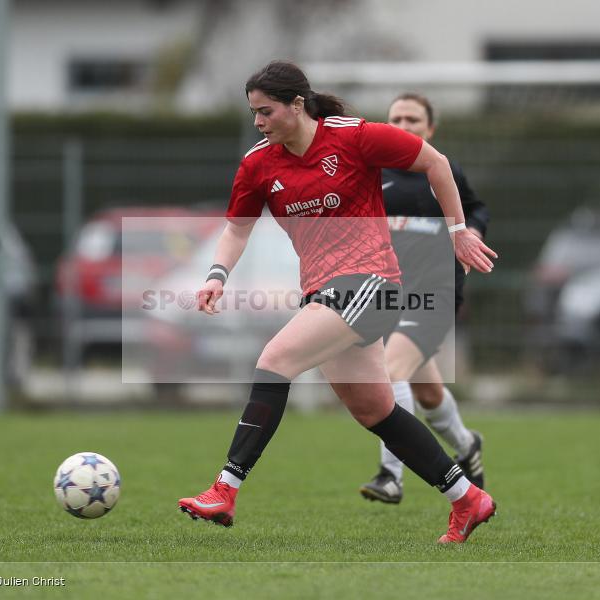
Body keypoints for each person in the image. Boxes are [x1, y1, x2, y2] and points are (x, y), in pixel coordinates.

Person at [177, 61, 498, 544]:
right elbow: (236, 229)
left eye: (266, 112)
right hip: (323, 291)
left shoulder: (353, 136)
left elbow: (435, 162)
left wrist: (457, 231)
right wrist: (216, 276)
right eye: (253, 114)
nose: (259, 123)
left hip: (372, 281)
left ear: (297, 105)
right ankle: (467, 499)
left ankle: (225, 488)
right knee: (375, 411)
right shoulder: (259, 163)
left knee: (274, 360)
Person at [360, 93, 490, 504]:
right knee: (428, 393)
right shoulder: (371, 174)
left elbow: (475, 210)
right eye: (396, 117)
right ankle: (467, 445)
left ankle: (390, 475)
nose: (403, 124)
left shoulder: (442, 171)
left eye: (413, 119)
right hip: (386, 294)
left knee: (390, 370)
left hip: (435, 293)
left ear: (429, 129)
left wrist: (472, 235)